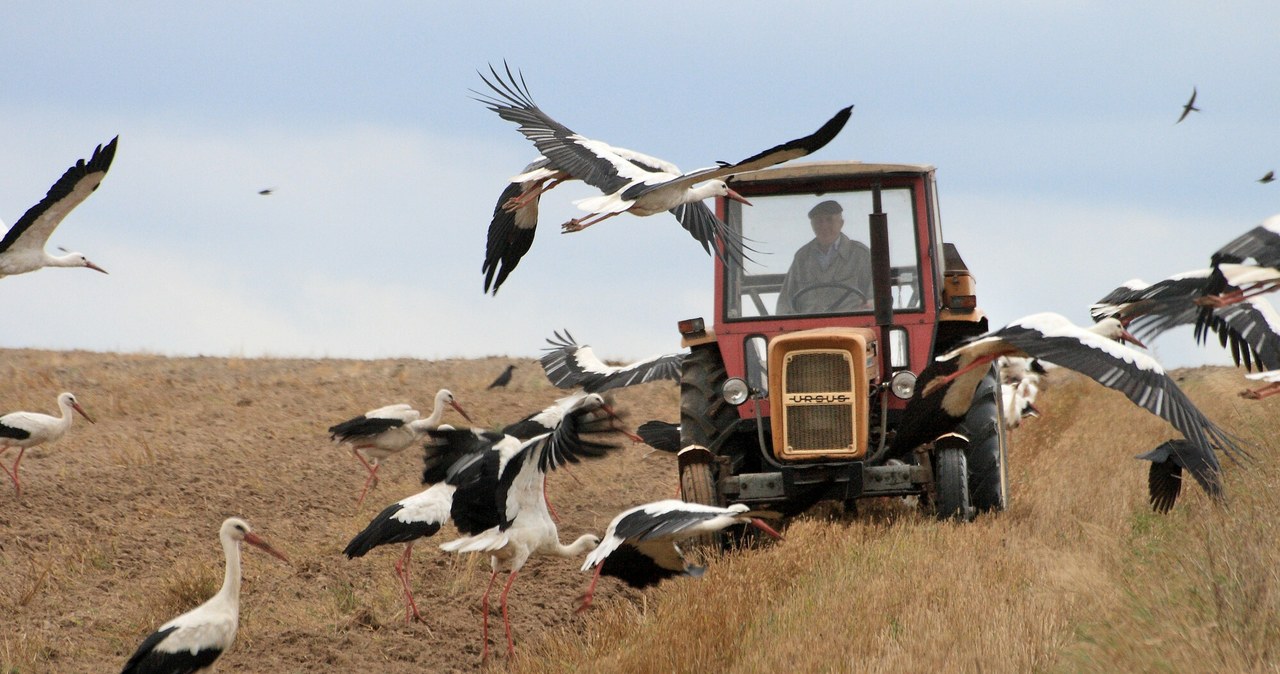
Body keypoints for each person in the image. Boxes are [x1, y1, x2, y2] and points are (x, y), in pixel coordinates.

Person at [776, 200, 873, 315]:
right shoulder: (802, 257)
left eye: (829, 220)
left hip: (850, 325)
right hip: (809, 327)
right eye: (818, 221)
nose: (824, 226)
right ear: (812, 226)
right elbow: (785, 303)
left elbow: (875, 297)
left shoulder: (860, 254)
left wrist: (871, 306)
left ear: (841, 223)